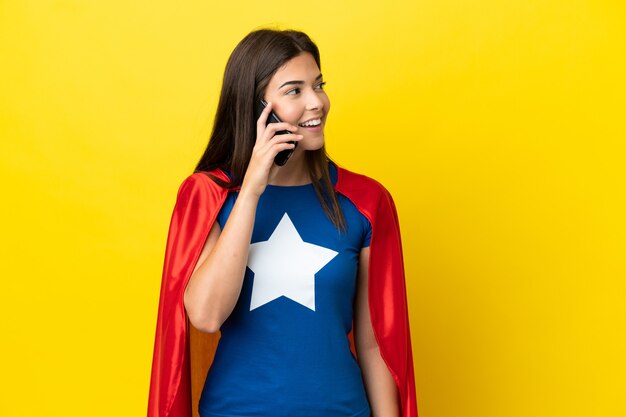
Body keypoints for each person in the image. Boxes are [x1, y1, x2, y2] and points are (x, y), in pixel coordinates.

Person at [148, 29, 418, 417]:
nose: (317, 103)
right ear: (257, 108)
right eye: (294, 91)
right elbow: (206, 315)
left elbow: (375, 344)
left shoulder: (366, 201)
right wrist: (252, 190)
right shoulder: (209, 196)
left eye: (319, 85)